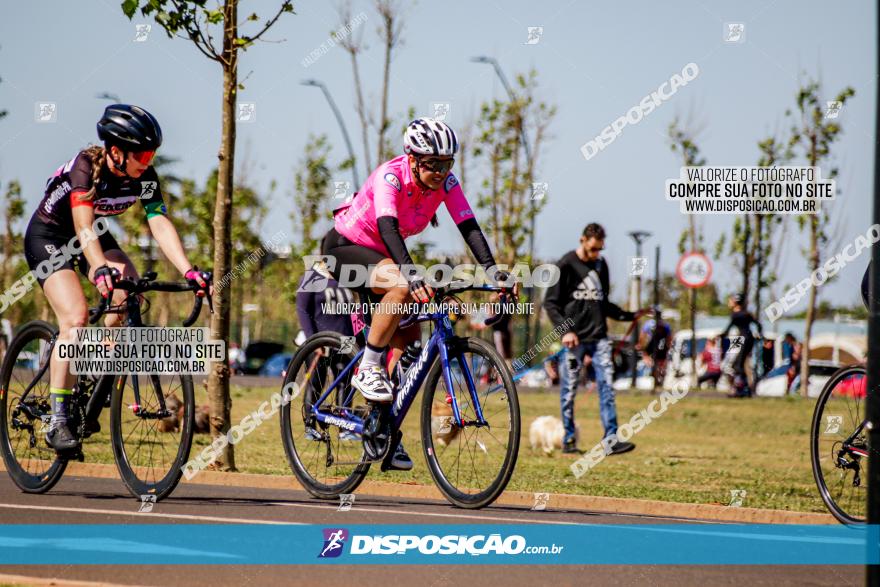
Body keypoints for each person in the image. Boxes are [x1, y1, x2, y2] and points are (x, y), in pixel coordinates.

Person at [23, 104, 209, 452]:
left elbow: (159, 223)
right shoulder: (85, 168)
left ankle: (97, 371)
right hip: (50, 237)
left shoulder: (146, 177)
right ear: (114, 151)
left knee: (132, 292)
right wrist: (98, 268)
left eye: (152, 153)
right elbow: (82, 225)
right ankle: (59, 420)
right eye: (141, 153)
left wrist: (188, 268)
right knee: (75, 318)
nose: (147, 160)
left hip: (92, 233)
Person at [319, 117, 517, 404]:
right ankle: (367, 367)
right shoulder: (391, 176)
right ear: (412, 159)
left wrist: (496, 274)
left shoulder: (446, 184)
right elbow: (387, 228)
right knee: (402, 286)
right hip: (344, 248)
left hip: (383, 257)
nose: (440, 171)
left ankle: (381, 430)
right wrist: (411, 276)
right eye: (432, 163)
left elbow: (469, 227)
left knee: (409, 339)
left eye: (446, 163)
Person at [296, 261, 413, 470]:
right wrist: (311, 339)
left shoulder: (343, 279)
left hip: (345, 340)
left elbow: (354, 313)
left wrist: (362, 339)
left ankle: (345, 426)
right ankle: (309, 425)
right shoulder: (311, 277)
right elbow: (303, 309)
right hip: (321, 342)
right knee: (316, 382)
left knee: (346, 382)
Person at [543, 223, 648, 454]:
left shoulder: (601, 265)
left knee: (607, 388)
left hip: (599, 338)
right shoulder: (566, 264)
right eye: (592, 249)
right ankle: (568, 439)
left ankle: (610, 440)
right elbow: (550, 303)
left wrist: (630, 315)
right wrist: (565, 331)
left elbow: (604, 303)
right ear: (582, 240)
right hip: (575, 339)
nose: (596, 254)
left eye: (600, 249)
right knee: (569, 390)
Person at [719, 293, 763, 398]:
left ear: (735, 302)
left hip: (742, 339)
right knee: (738, 365)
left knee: (737, 365)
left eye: (730, 300)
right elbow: (759, 325)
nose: (729, 302)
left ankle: (742, 390)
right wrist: (758, 335)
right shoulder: (747, 313)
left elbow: (728, 329)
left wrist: (721, 336)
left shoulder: (736, 314)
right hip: (747, 338)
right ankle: (743, 389)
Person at [638, 308, 673, 388]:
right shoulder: (665, 325)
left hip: (655, 347)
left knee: (656, 363)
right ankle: (658, 375)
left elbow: (642, 336)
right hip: (659, 347)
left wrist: (640, 345)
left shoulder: (649, 324)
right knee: (660, 364)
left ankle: (657, 375)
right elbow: (669, 339)